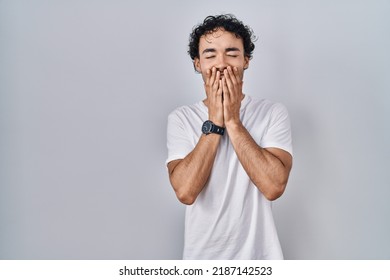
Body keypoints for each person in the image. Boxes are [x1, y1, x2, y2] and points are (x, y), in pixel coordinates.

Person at [165, 14, 293, 260]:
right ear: (197, 64)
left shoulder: (272, 113)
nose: (221, 64)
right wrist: (214, 122)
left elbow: (274, 186)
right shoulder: (181, 118)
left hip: (261, 261)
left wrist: (233, 120)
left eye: (232, 54)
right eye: (210, 55)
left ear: (246, 60)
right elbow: (185, 192)